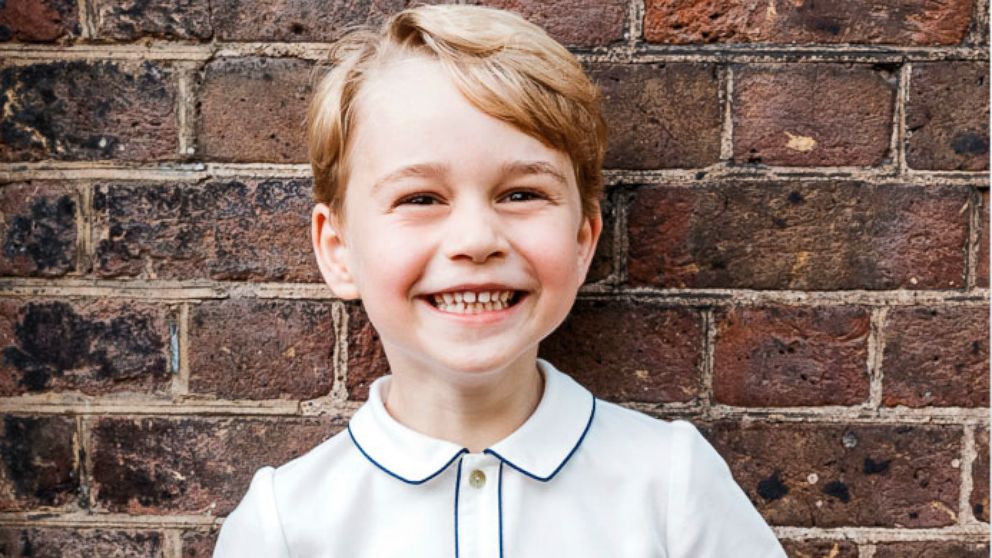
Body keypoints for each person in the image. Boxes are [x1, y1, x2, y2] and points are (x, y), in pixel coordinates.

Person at [213, 5, 787, 557]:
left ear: (583, 240)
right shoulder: (285, 523)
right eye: (420, 198)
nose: (476, 238)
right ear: (338, 252)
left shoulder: (670, 485)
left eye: (521, 194)